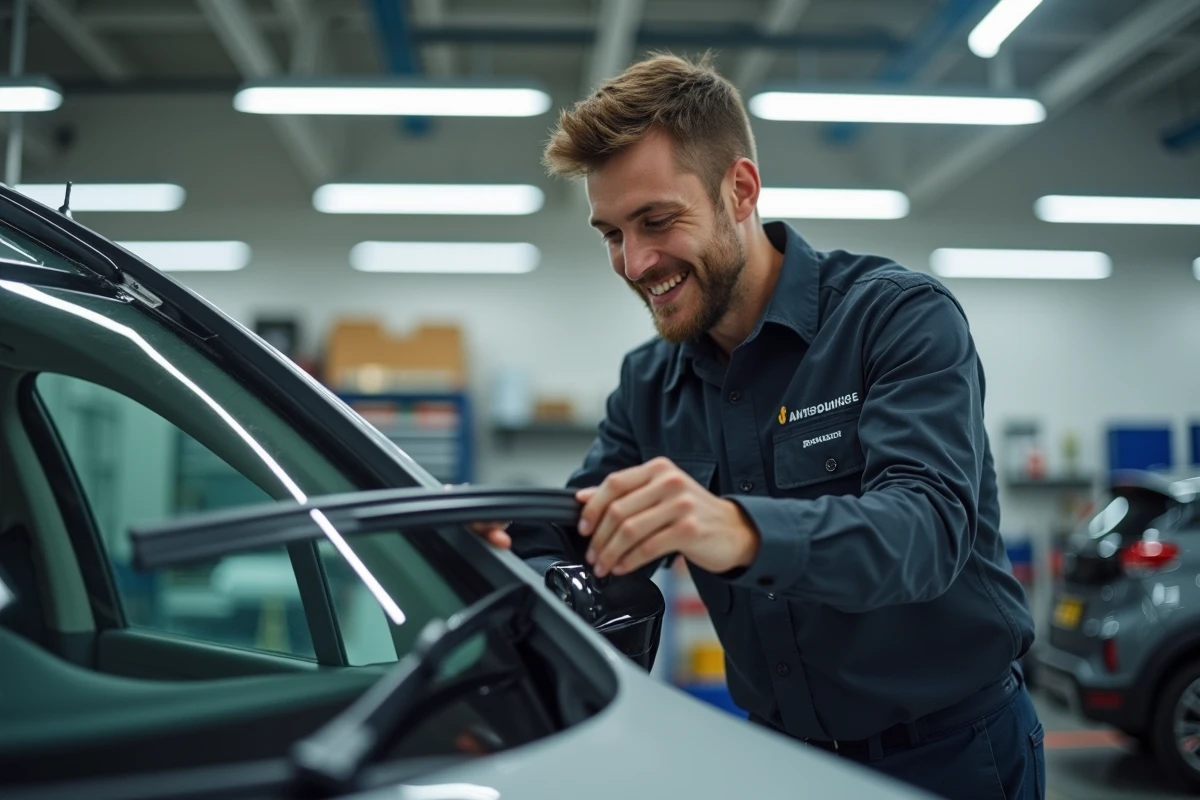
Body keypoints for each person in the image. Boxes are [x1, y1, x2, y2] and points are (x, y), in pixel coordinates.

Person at [475, 53, 1043, 800]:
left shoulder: (895, 318)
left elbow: (926, 529)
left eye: (656, 221)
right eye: (611, 233)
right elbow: (586, 531)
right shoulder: (651, 383)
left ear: (739, 190)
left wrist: (735, 529)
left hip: (952, 759)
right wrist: (486, 536)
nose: (635, 262)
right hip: (782, 764)